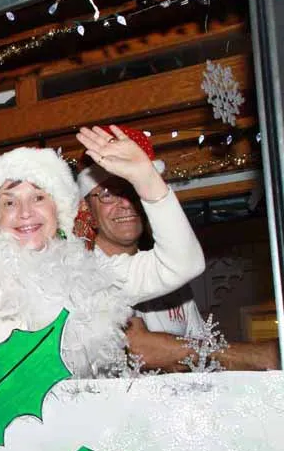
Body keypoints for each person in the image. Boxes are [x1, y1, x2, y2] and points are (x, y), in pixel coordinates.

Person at [0, 125, 206, 377]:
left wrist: (146, 178)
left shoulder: (92, 274)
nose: (25, 212)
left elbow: (183, 264)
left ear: (58, 209)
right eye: (9, 202)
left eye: (38, 198)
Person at [77, 131, 280, 371]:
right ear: (86, 209)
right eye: (108, 194)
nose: (125, 203)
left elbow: (204, 356)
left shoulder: (171, 279)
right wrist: (258, 356)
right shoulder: (83, 275)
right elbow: (139, 349)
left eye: (133, 190)